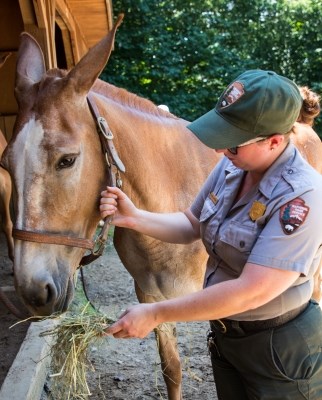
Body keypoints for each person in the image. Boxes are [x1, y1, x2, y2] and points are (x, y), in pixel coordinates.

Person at [100, 69, 322, 399]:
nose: (220, 151)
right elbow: (192, 223)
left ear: (274, 141)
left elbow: (251, 292)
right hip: (227, 336)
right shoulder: (234, 165)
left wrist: (157, 313)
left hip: (278, 351)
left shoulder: (300, 197)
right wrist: (134, 218)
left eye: (232, 142)